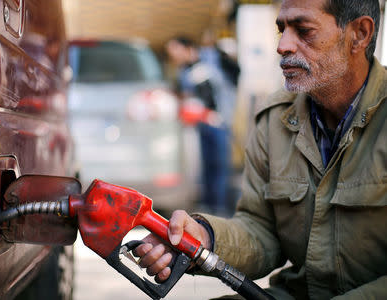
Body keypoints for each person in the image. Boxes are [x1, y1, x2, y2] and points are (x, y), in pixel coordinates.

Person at [135, 0, 387, 299]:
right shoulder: (275, 119)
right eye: (281, 30)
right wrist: (203, 237)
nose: (282, 45)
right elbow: (261, 230)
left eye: (303, 30)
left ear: (359, 34)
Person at [166, 36, 237, 216]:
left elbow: (222, 89)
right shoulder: (184, 71)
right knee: (206, 168)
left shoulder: (209, 62)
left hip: (218, 122)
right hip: (202, 124)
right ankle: (209, 209)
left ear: (187, 47)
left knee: (219, 167)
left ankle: (220, 210)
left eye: (175, 51)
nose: (173, 56)